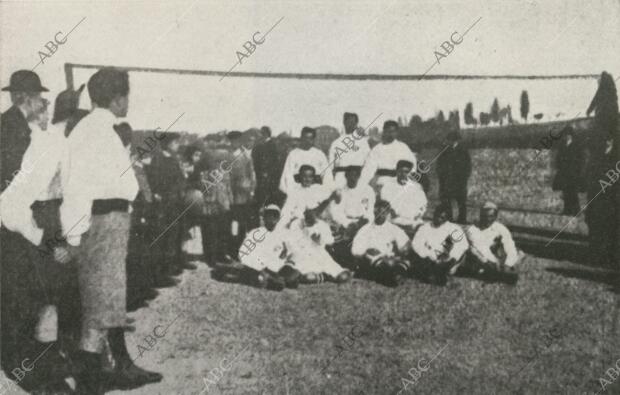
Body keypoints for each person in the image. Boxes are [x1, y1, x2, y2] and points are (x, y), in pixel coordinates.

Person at [55, 67, 162, 394]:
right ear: (117, 99)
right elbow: (76, 189)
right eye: (126, 96)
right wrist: (73, 236)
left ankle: (117, 367)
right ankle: (90, 382)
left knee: (109, 301)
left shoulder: (104, 130)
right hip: (98, 224)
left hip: (113, 223)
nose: (128, 102)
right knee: (100, 305)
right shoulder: (90, 132)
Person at [0, 93, 76, 394]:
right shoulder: (36, 142)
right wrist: (41, 236)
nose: (46, 111)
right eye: (42, 105)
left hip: (25, 224)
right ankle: (33, 374)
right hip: (22, 226)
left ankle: (40, 367)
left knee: (34, 300)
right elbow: (12, 203)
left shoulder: (33, 137)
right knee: (28, 302)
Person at [0, 70, 56, 392]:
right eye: (39, 96)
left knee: (18, 297)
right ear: (25, 98)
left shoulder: (14, 125)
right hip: (11, 226)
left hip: (12, 223)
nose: (43, 102)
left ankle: (20, 360)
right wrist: (31, 230)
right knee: (17, 299)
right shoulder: (14, 129)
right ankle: (19, 366)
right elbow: (10, 186)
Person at [212, 205, 301, 290]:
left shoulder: (281, 235)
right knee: (273, 283)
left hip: (275, 268)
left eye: (275, 216)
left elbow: (291, 253)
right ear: (264, 218)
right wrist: (260, 265)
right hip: (258, 268)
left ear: (278, 219)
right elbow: (243, 254)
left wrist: (285, 256)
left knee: (293, 279)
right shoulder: (256, 233)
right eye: (269, 216)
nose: (272, 219)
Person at [147, 132, 190, 277]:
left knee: (177, 233)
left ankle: (176, 263)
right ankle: (165, 269)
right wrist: (158, 194)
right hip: (165, 202)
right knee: (166, 235)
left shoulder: (174, 159)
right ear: (168, 144)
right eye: (175, 143)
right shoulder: (158, 159)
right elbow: (153, 180)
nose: (178, 145)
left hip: (176, 201)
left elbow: (180, 179)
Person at [284, 208, 352, 284]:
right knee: (308, 277)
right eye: (309, 213)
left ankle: (325, 276)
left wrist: (319, 240)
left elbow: (330, 241)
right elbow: (291, 243)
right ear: (305, 213)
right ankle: (323, 276)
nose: (312, 215)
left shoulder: (322, 225)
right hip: (302, 256)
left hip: (320, 255)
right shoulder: (296, 223)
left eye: (314, 212)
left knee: (342, 276)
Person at [351, 200, 410, 287]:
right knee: (373, 255)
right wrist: (367, 253)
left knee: (406, 261)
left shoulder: (392, 228)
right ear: (374, 211)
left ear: (387, 213)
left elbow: (405, 243)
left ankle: (394, 274)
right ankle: (391, 276)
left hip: (389, 258)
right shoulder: (366, 229)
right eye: (378, 211)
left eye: (384, 212)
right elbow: (355, 250)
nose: (380, 214)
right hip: (371, 260)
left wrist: (401, 252)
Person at [411, 203, 469, 286]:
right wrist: (429, 255)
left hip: (447, 259)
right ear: (434, 214)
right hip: (430, 258)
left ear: (447, 219)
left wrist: (451, 258)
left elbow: (462, 245)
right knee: (422, 261)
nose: (438, 219)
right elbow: (416, 244)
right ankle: (436, 275)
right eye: (436, 215)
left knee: (455, 257)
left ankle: (440, 274)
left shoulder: (453, 228)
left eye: (442, 217)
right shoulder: (425, 227)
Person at [463, 202, 520, 284]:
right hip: (481, 258)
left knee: (516, 253)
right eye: (484, 216)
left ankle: (500, 272)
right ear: (480, 216)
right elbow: (481, 249)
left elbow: (510, 246)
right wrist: (494, 262)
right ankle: (494, 272)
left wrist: (508, 264)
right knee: (473, 251)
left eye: (491, 216)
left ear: (495, 217)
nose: (487, 219)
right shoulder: (473, 229)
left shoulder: (500, 228)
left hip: (495, 258)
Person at [585, 137, 618, 267]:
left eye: (609, 140)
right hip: (597, 197)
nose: (606, 142)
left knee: (610, 229)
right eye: (604, 140)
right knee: (595, 226)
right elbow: (590, 176)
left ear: (613, 142)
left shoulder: (616, 158)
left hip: (611, 199)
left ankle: (609, 257)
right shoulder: (596, 158)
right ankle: (596, 255)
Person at [360, 120, 417, 192]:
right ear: (384, 132)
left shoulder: (403, 147)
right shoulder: (377, 150)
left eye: (393, 131)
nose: (390, 134)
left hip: (400, 180)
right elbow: (368, 170)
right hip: (382, 181)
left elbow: (413, 165)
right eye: (388, 131)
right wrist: (362, 185)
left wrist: (408, 179)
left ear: (397, 133)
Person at [279, 126, 333, 196]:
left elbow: (327, 174)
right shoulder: (293, 154)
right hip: (298, 188)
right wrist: (291, 191)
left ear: (314, 140)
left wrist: (325, 190)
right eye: (305, 138)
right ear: (301, 138)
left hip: (315, 189)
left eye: (310, 139)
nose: (307, 141)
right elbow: (288, 174)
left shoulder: (319, 154)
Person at [380, 160, 427, 237]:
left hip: (411, 220)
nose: (403, 174)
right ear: (396, 171)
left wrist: (418, 214)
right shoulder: (388, 186)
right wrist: (390, 211)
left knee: (422, 229)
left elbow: (423, 205)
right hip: (393, 219)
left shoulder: (416, 187)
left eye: (406, 172)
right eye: (400, 171)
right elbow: (384, 203)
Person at [227, 131, 257, 254]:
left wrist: (251, 190)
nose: (235, 143)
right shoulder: (226, 155)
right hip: (228, 192)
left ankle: (238, 248)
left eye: (237, 140)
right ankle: (229, 248)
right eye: (232, 141)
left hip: (241, 194)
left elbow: (252, 174)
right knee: (229, 222)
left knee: (240, 222)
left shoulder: (245, 155)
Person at [328, 112, 371, 188]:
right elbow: (331, 165)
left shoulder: (363, 142)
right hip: (340, 177)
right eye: (348, 122)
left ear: (356, 123)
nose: (350, 124)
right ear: (344, 122)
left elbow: (368, 162)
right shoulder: (336, 142)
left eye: (353, 122)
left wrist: (363, 179)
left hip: (357, 178)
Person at [437, 130, 471, 223]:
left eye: (450, 140)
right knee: (446, 203)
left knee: (461, 203)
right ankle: (448, 221)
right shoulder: (444, 151)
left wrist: (462, 180)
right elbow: (439, 166)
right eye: (448, 140)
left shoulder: (463, 151)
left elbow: (467, 168)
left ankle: (462, 221)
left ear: (455, 140)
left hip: (459, 184)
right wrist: (442, 179)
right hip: (446, 183)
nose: (448, 142)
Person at [552, 126, 585, 215]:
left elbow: (581, 158)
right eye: (565, 135)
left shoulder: (577, 144)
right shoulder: (563, 145)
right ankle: (567, 210)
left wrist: (578, 170)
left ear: (571, 135)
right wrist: (559, 166)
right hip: (564, 172)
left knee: (573, 191)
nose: (566, 136)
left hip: (573, 173)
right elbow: (558, 157)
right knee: (565, 191)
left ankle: (576, 211)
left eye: (567, 134)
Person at [252, 126, 285, 207]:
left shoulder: (273, 146)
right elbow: (255, 161)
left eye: (261, 133)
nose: (260, 135)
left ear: (266, 134)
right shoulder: (258, 147)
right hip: (260, 177)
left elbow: (276, 163)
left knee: (269, 197)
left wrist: (269, 173)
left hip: (271, 178)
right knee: (260, 197)